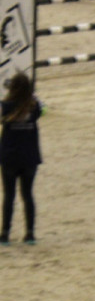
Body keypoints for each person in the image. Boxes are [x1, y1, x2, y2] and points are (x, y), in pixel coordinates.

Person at [0, 72, 43, 245]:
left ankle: (5, 233)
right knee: (28, 195)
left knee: (9, 196)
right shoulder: (35, 106)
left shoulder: (6, 106)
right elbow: (41, 108)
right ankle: (30, 233)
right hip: (30, 157)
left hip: (10, 156)